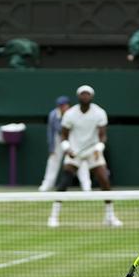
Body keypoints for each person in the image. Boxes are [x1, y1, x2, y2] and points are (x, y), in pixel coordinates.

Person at [48, 85, 121, 228]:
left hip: (93, 150)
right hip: (74, 150)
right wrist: (66, 148)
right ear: (78, 96)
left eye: (87, 94)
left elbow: (102, 134)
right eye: (82, 94)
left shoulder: (99, 112)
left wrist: (99, 147)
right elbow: (64, 134)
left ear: (91, 96)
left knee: (104, 180)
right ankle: (53, 216)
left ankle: (110, 217)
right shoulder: (70, 114)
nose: (85, 96)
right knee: (65, 181)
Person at [38, 95, 92, 192]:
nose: (62, 107)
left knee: (80, 161)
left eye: (64, 105)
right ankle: (46, 185)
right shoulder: (53, 115)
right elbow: (51, 132)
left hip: (73, 140)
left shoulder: (74, 114)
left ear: (68, 105)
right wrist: (52, 148)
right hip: (58, 140)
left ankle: (86, 186)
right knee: (53, 162)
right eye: (60, 106)